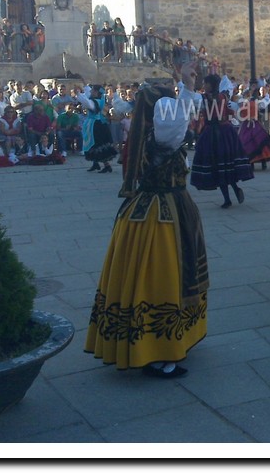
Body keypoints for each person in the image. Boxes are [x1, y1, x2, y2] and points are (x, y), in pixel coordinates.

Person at [85, 62, 209, 378]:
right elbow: (179, 121)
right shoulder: (164, 132)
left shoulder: (150, 129)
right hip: (164, 211)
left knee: (140, 274)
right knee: (163, 275)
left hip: (145, 207)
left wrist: (186, 88)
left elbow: (180, 117)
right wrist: (187, 87)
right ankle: (158, 352)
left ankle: (154, 341)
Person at [190, 74, 254, 208]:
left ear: (211, 85)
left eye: (206, 83)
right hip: (224, 132)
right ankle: (232, 192)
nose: (204, 85)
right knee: (224, 165)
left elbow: (191, 97)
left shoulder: (205, 98)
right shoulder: (222, 96)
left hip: (215, 133)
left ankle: (228, 198)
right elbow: (229, 111)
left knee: (219, 165)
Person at [76, 84, 116, 173]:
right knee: (95, 144)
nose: (91, 91)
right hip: (98, 123)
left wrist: (78, 93)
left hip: (95, 125)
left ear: (96, 92)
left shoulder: (95, 102)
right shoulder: (100, 99)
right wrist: (83, 86)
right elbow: (87, 95)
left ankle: (107, 165)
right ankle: (95, 163)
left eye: (92, 90)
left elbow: (86, 102)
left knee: (97, 144)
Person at [236, 90, 270, 170]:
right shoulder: (253, 103)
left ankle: (252, 163)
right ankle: (262, 162)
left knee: (249, 143)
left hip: (248, 124)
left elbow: (242, 113)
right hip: (255, 123)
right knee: (259, 142)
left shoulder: (246, 103)